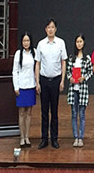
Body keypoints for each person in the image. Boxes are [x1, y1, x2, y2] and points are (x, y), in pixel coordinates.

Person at [35, 18, 67, 149]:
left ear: (56, 29)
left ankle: (54, 139)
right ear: (45, 29)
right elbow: (37, 63)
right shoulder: (41, 44)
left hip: (56, 80)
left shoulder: (60, 43)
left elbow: (63, 62)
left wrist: (62, 80)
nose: (50, 29)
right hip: (44, 80)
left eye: (52, 27)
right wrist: (37, 82)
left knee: (54, 111)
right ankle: (44, 139)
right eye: (48, 27)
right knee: (44, 111)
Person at [66, 34, 93, 147]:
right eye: (77, 42)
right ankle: (75, 137)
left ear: (84, 43)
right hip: (73, 89)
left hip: (82, 90)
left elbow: (90, 71)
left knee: (81, 114)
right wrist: (70, 78)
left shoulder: (87, 58)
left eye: (81, 41)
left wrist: (84, 78)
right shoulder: (71, 58)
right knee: (73, 114)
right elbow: (68, 72)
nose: (79, 44)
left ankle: (81, 137)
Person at [12, 32, 37, 148]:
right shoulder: (18, 54)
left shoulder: (34, 52)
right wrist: (16, 87)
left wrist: (37, 83)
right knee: (21, 112)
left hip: (31, 85)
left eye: (27, 41)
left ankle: (27, 136)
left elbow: (37, 68)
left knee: (29, 112)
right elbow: (15, 71)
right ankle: (22, 137)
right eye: (24, 41)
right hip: (21, 86)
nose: (26, 43)